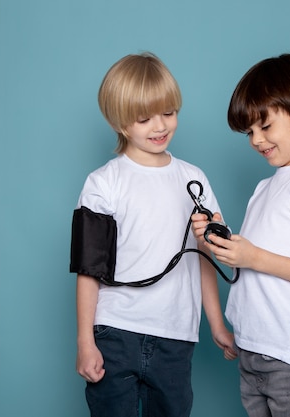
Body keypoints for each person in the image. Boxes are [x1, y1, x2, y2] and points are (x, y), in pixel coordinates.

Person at [71, 52, 237, 417]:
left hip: (176, 335)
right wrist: (85, 341)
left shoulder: (194, 180)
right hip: (115, 332)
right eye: (144, 118)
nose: (160, 126)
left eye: (169, 112)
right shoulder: (103, 183)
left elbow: (203, 257)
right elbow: (89, 269)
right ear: (119, 121)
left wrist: (216, 323)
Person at [192, 53, 290, 417]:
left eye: (265, 126)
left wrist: (254, 257)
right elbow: (253, 263)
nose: (256, 140)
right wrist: (221, 242)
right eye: (249, 132)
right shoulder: (265, 187)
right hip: (254, 351)